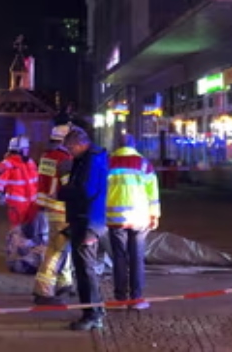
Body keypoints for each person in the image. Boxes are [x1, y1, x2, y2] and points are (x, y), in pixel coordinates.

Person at [57, 126, 109, 331]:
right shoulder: (88, 159)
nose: (69, 153)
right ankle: (94, 309)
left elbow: (86, 190)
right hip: (87, 219)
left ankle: (92, 314)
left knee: (85, 269)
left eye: (70, 148)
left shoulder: (90, 161)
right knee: (85, 268)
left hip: (88, 221)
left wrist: (63, 191)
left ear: (79, 144)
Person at [106, 134, 159, 309]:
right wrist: (154, 215)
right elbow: (153, 193)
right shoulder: (144, 164)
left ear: (116, 145)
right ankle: (136, 299)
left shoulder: (108, 163)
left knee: (119, 258)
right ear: (134, 145)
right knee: (136, 257)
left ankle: (120, 298)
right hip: (139, 218)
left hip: (115, 219)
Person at [33, 124, 76, 305]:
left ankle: (64, 283)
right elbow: (68, 186)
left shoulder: (47, 156)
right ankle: (43, 290)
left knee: (62, 247)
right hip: (62, 208)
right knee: (57, 250)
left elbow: (45, 182)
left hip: (51, 208)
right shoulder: (65, 159)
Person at [0, 136, 39, 229]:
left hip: (32, 203)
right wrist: (1, 196)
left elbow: (36, 181)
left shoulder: (30, 162)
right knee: (17, 231)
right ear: (21, 150)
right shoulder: (8, 164)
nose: (28, 151)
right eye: (26, 149)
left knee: (30, 232)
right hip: (17, 205)